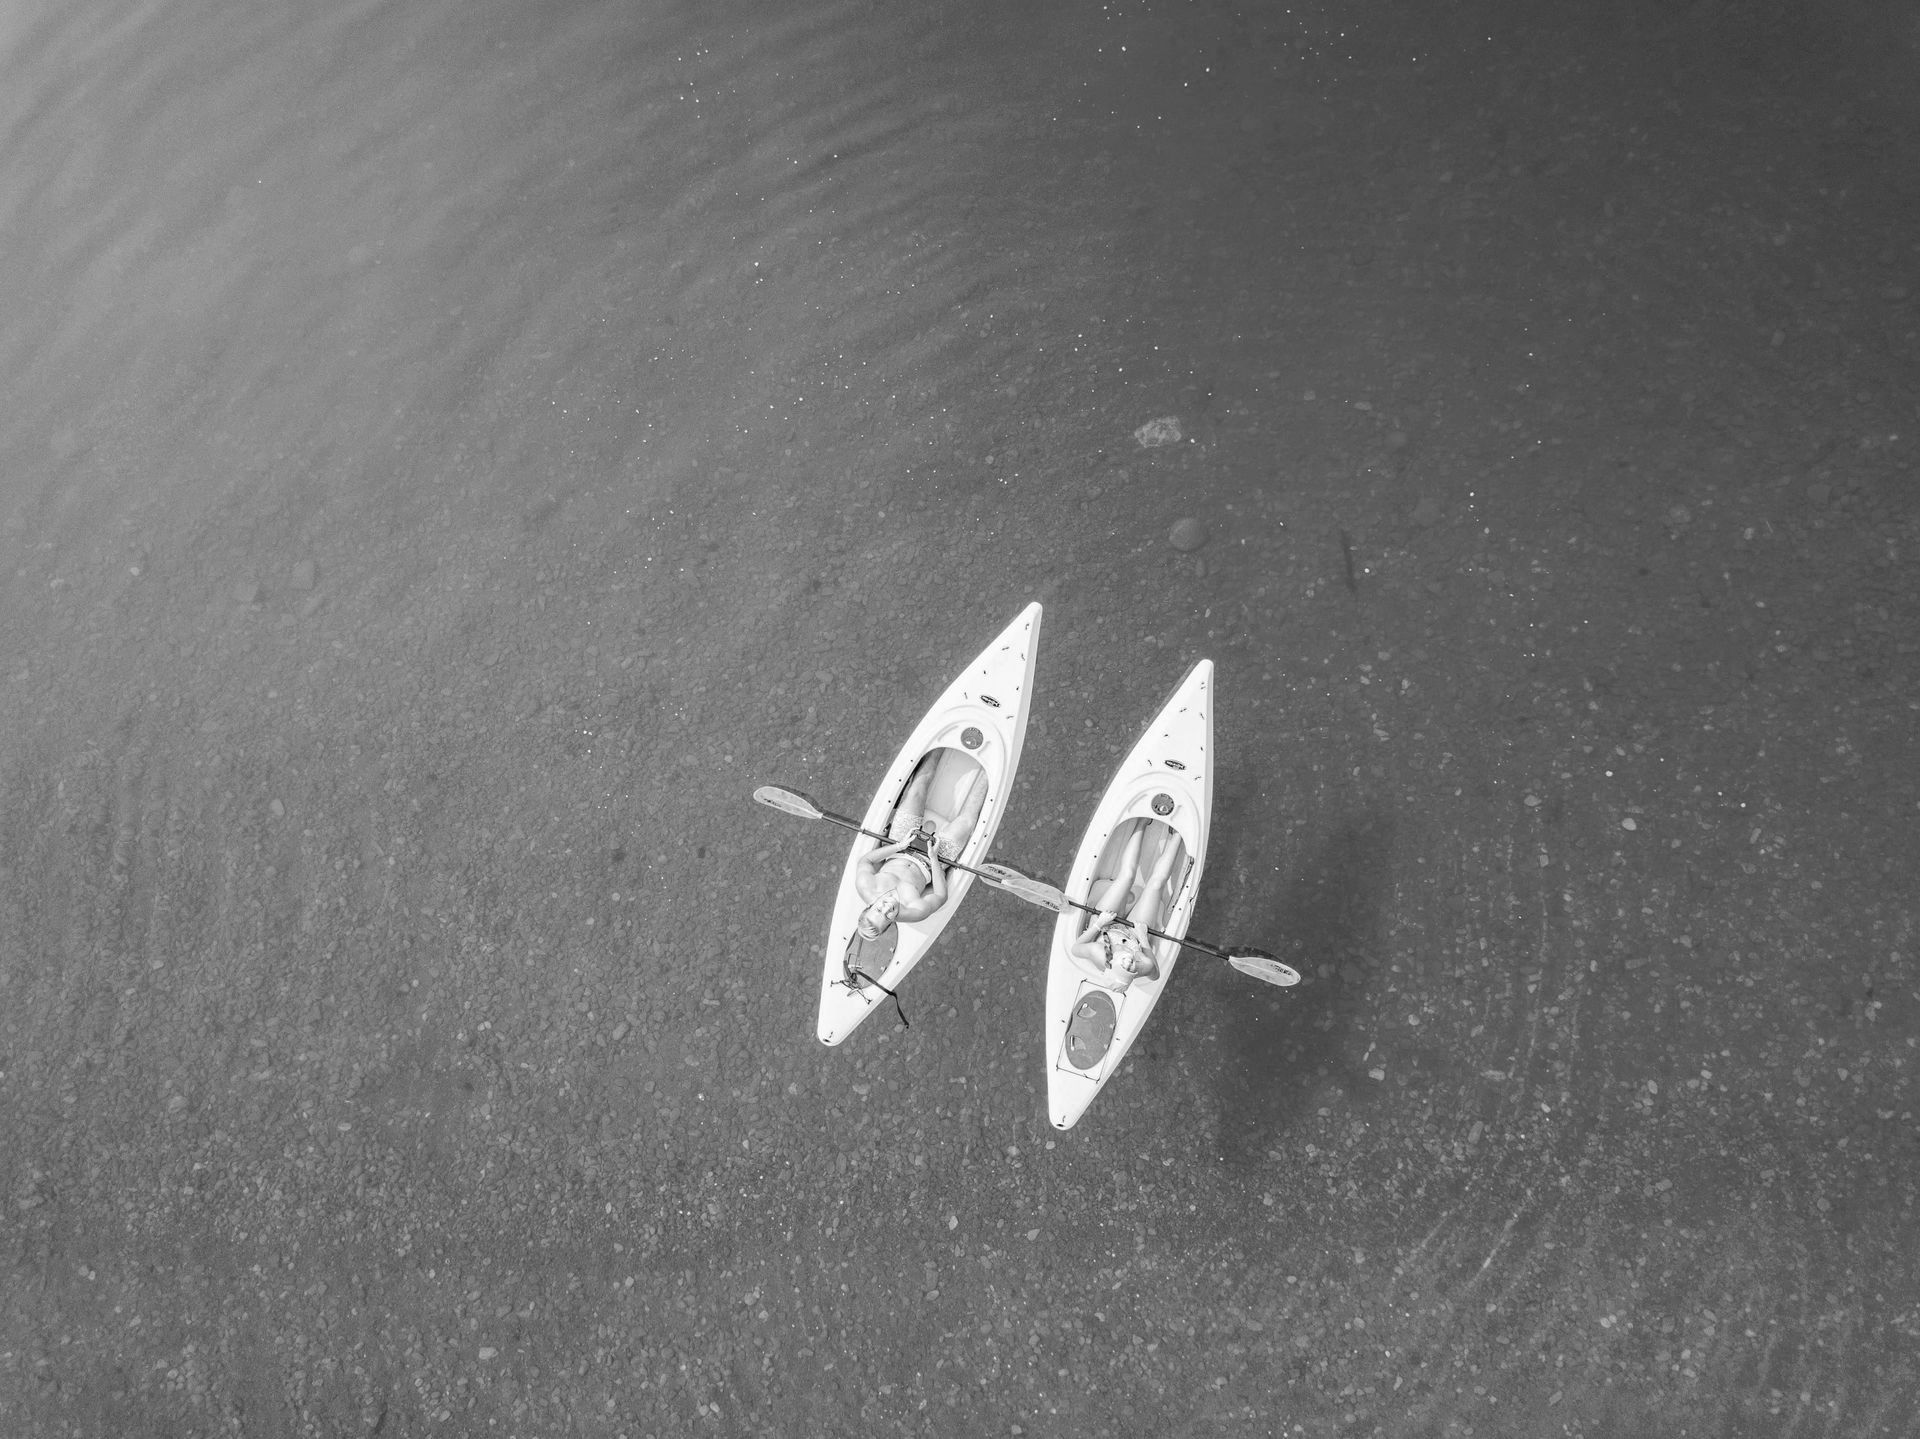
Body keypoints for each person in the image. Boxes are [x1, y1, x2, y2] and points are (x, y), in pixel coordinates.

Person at [852, 751, 987, 941]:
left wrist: (899, 846)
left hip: (901, 844)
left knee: (916, 791)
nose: (887, 908)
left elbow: (866, 860)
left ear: (869, 906)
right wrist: (933, 858)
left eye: (878, 909)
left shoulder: (865, 886)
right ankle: (988, 773)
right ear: (891, 923)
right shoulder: (915, 912)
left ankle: (940, 749)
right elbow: (940, 895)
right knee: (966, 823)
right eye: (887, 916)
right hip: (932, 861)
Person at [1064, 821, 1184, 991]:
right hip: (1134, 934)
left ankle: (1141, 823)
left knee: (1126, 876)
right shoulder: (1142, 966)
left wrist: (1099, 924)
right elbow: (1155, 975)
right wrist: (1143, 939)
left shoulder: (1099, 955)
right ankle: (1178, 835)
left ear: (1111, 963)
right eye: (1132, 968)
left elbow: (1076, 949)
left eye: (1124, 965)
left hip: (1106, 925)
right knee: (1155, 885)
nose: (1129, 962)